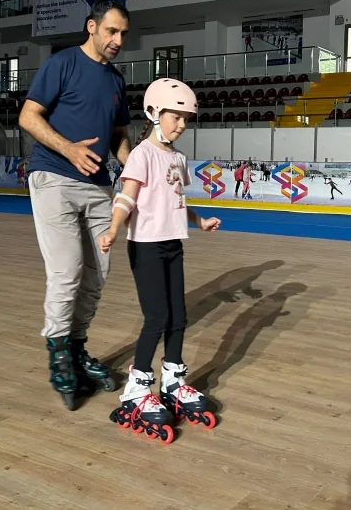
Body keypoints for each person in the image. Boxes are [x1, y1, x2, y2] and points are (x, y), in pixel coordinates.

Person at [19, 0, 132, 411]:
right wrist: (67, 148)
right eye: (111, 31)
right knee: (66, 272)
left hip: (99, 186)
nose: (117, 40)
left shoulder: (116, 80)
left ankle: (77, 346)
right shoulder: (62, 63)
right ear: (91, 26)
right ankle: (58, 354)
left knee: (97, 274)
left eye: (122, 34)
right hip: (53, 178)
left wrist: (138, 167)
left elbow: (120, 134)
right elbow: (28, 117)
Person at [98, 78, 221, 444]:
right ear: (154, 113)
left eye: (186, 119)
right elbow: (127, 196)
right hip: (147, 245)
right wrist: (113, 229)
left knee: (179, 317)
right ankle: (137, 388)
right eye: (176, 117)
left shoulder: (178, 159)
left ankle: (173, 381)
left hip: (173, 244)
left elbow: (176, 202)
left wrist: (200, 221)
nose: (181, 125)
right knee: (156, 318)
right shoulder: (142, 155)